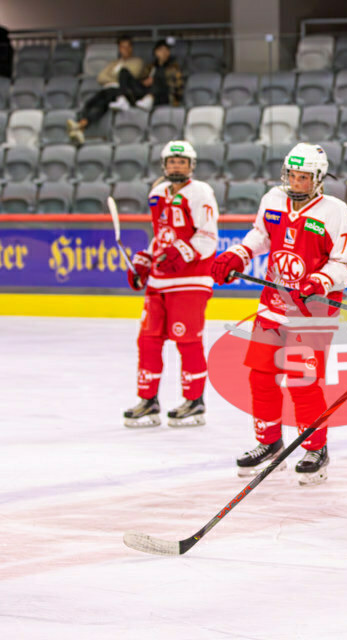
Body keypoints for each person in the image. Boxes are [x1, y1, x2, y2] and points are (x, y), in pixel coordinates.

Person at [211, 143, 347, 484]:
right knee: (260, 374)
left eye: (303, 176)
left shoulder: (334, 210)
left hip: (313, 311)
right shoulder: (273, 200)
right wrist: (238, 254)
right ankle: (269, 441)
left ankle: (315, 448)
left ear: (318, 178)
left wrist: (320, 280)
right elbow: (260, 235)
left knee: (302, 379)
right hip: (273, 304)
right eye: (291, 174)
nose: (295, 181)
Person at [123, 141, 219, 428]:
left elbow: (207, 236)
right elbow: (162, 236)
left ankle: (194, 402)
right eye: (172, 161)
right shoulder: (157, 194)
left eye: (182, 161)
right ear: (164, 165)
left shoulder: (200, 192)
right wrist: (145, 258)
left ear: (192, 165)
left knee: (187, 340)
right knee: (148, 340)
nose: (177, 165)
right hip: (159, 281)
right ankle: (148, 401)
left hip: (190, 280)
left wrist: (181, 253)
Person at [66, 35, 146, 145]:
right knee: (92, 102)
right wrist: (114, 78)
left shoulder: (137, 61)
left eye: (128, 47)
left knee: (103, 102)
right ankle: (81, 125)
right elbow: (100, 77)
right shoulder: (114, 63)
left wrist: (110, 78)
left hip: (123, 91)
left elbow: (131, 75)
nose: (125, 50)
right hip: (109, 89)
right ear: (119, 48)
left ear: (131, 48)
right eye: (122, 47)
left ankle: (81, 126)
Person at [138, 40, 185, 110]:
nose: (164, 53)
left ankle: (149, 99)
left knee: (157, 78)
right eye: (161, 50)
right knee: (125, 73)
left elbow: (178, 88)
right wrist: (144, 82)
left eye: (166, 50)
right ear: (156, 52)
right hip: (147, 91)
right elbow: (141, 80)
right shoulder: (150, 67)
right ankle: (147, 99)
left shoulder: (174, 67)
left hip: (166, 95)